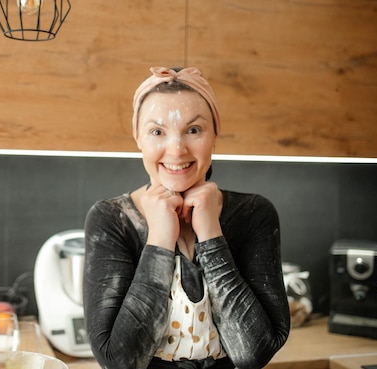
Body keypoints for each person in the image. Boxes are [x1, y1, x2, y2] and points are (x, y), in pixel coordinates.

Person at [83, 67, 290, 369]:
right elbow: (120, 361)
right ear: (138, 137)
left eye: (193, 130)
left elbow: (253, 354)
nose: (177, 151)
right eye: (157, 132)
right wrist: (160, 240)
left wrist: (211, 234)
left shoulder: (255, 214)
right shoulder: (111, 219)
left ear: (215, 135)